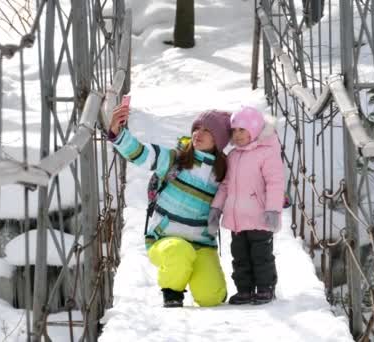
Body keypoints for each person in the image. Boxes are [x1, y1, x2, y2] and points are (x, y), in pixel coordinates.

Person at [108, 102, 231, 308]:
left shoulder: (223, 172)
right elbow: (142, 154)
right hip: (165, 240)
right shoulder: (176, 159)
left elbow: (246, 183)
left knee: (211, 297)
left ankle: (196, 272)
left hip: (202, 244)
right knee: (179, 251)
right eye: (196, 128)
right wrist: (117, 133)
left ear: (218, 140)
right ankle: (172, 291)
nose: (198, 134)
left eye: (207, 131)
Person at [209, 106, 284, 305]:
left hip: (260, 217)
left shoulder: (267, 153)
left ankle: (265, 287)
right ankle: (244, 289)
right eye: (234, 131)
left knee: (261, 256)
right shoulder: (233, 156)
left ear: (255, 129)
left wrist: (273, 210)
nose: (237, 135)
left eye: (242, 130)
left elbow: (275, 183)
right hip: (237, 219)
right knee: (240, 256)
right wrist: (216, 209)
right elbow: (225, 185)